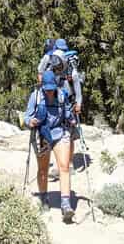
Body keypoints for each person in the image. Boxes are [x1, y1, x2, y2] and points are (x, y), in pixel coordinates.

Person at [24, 69, 77, 222]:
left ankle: (66, 205)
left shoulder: (61, 95)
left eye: (51, 89)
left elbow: (67, 112)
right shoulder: (36, 96)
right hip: (42, 134)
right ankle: (43, 199)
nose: (49, 93)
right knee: (43, 169)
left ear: (55, 86)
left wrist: (72, 118)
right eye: (46, 90)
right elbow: (26, 116)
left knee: (64, 167)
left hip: (60, 133)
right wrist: (30, 121)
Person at [37, 37, 82, 116]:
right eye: (55, 67)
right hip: (51, 93)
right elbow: (40, 73)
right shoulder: (49, 61)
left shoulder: (72, 72)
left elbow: (78, 91)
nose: (57, 69)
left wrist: (78, 105)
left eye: (59, 67)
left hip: (67, 97)